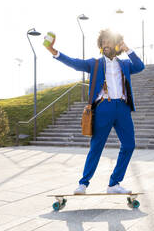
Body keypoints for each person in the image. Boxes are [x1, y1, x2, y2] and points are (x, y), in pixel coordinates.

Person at [45, 29, 145, 194]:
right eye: (103, 42)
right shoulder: (95, 63)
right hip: (103, 108)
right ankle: (83, 183)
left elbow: (140, 66)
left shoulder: (125, 64)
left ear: (117, 44)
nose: (105, 43)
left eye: (109, 41)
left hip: (122, 108)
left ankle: (114, 184)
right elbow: (74, 62)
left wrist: (127, 48)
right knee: (96, 146)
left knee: (129, 145)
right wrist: (54, 52)